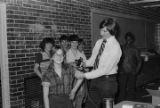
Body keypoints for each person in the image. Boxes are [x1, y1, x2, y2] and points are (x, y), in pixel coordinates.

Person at [75, 18, 122, 108]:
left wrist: (85, 75)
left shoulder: (115, 47)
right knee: (90, 105)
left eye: (104, 31)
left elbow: (104, 70)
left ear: (112, 31)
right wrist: (78, 64)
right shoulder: (99, 42)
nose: (101, 33)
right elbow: (92, 60)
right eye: (101, 30)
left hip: (108, 82)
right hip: (95, 79)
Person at [118, 32, 142, 102]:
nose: (128, 40)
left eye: (130, 39)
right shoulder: (121, 48)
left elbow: (140, 61)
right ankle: (120, 103)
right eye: (127, 39)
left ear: (132, 40)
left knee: (131, 89)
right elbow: (117, 59)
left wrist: (136, 71)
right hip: (123, 71)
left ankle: (131, 103)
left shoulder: (135, 49)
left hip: (132, 71)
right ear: (125, 39)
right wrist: (119, 69)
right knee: (122, 89)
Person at [66, 34, 87, 108]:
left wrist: (75, 64)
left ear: (78, 43)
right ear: (70, 43)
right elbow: (67, 65)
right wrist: (78, 64)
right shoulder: (66, 53)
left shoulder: (81, 54)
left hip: (80, 79)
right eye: (72, 42)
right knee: (71, 100)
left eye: (76, 42)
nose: (74, 44)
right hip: (69, 80)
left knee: (80, 98)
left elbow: (86, 67)